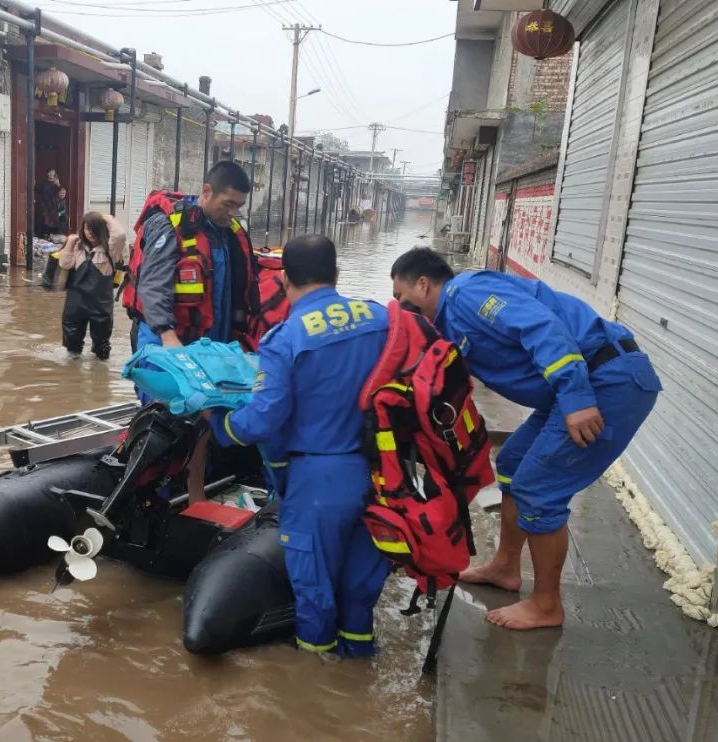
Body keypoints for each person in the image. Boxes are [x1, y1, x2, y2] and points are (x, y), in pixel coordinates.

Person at [390, 247, 661, 630]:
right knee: (514, 463)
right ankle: (505, 567)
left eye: (403, 298)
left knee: (538, 487)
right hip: (586, 384)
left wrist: (577, 398)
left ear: (423, 283)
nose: (401, 309)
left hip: (607, 381)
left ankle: (547, 605)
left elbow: (540, 326)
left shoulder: (466, 294)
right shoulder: (449, 322)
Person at [210, 234, 392, 658]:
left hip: (319, 481)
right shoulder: (380, 318)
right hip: (383, 475)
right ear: (337, 273)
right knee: (360, 585)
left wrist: (221, 426)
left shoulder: (285, 337)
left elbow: (265, 417)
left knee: (314, 587)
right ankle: (359, 663)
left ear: (285, 280)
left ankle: (315, 683)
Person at [122, 160, 260, 502]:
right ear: (207, 191)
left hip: (210, 346)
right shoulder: (170, 226)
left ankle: (195, 493)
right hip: (167, 343)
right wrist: (168, 336)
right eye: (228, 204)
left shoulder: (229, 234)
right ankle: (153, 491)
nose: (232, 213)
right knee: (175, 417)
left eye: (238, 207)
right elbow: (153, 287)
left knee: (207, 419)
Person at [57, 211, 125, 361]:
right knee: (72, 348)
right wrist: (69, 241)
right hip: (76, 303)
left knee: (102, 349)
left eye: (94, 228)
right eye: (87, 228)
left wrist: (106, 217)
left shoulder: (111, 249)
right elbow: (65, 264)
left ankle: (99, 378)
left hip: (100, 305)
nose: (90, 233)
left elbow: (119, 234)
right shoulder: (78, 247)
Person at [34, 169, 61, 239]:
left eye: (53, 172)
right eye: (50, 172)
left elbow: (60, 193)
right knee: (44, 219)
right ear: (47, 173)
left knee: (53, 220)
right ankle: (43, 236)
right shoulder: (43, 183)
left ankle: (51, 236)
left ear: (54, 174)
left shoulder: (56, 183)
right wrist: (33, 184)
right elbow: (36, 190)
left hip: (53, 204)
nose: (51, 174)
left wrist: (58, 185)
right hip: (44, 205)